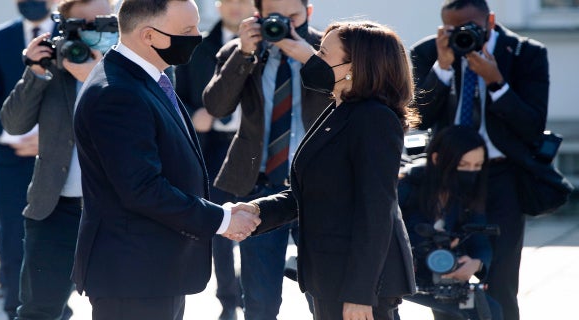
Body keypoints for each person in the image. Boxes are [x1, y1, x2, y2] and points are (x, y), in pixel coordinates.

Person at [72, 0, 261, 319]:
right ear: (148, 36)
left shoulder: (146, 77)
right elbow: (142, 189)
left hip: (154, 272)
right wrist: (222, 220)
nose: (197, 37)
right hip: (133, 277)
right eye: (187, 31)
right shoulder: (118, 93)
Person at [234, 20, 417, 320]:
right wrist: (258, 211)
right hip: (329, 276)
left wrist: (360, 293)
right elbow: (313, 190)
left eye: (323, 52)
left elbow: (376, 211)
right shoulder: (339, 109)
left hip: (357, 285)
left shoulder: (374, 119)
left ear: (354, 67)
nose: (314, 57)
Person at [409, 1, 549, 319]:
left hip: (501, 177)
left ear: (491, 21)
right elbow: (417, 117)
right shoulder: (429, 50)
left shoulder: (526, 52)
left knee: (499, 282)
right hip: (446, 177)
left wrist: (496, 82)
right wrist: (442, 69)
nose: (463, 34)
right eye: (453, 28)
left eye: (471, 26)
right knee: (443, 280)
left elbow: (532, 126)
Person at [202, 0, 330, 318]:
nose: (285, 24)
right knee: (259, 299)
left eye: (294, 17)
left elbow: (352, 97)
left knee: (325, 293)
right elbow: (217, 107)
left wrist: (309, 58)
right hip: (261, 188)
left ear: (309, 12)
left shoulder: (331, 49)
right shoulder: (241, 51)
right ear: (257, 15)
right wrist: (244, 53)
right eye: (276, 17)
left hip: (321, 188)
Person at [0, 0, 118, 319]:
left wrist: (95, 74)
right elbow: (13, 124)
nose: (94, 31)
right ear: (64, 27)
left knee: (120, 308)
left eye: (104, 23)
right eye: (84, 25)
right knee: (38, 310)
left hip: (117, 210)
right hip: (55, 208)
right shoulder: (52, 65)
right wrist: (34, 72)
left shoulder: (133, 67)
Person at [0, 1, 59, 317]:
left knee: (57, 234)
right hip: (10, 157)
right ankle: (15, 307)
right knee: (13, 233)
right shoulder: (1, 37)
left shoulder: (72, 37)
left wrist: (46, 138)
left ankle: (57, 307)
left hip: (58, 156)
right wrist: (11, 136)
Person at [175, 0, 254, 319]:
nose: (236, 7)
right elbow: (179, 95)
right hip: (213, 147)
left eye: (243, 0)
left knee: (258, 221)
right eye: (228, 0)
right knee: (221, 225)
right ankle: (228, 300)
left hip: (255, 147)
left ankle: (253, 291)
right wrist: (196, 114)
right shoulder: (197, 46)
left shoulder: (272, 43)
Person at [398, 125, 503, 320]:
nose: (470, 172)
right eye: (463, 165)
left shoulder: (467, 197)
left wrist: (476, 264)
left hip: (445, 275)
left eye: (477, 166)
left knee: (490, 311)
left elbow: (481, 243)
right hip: (401, 273)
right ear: (437, 159)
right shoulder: (407, 187)